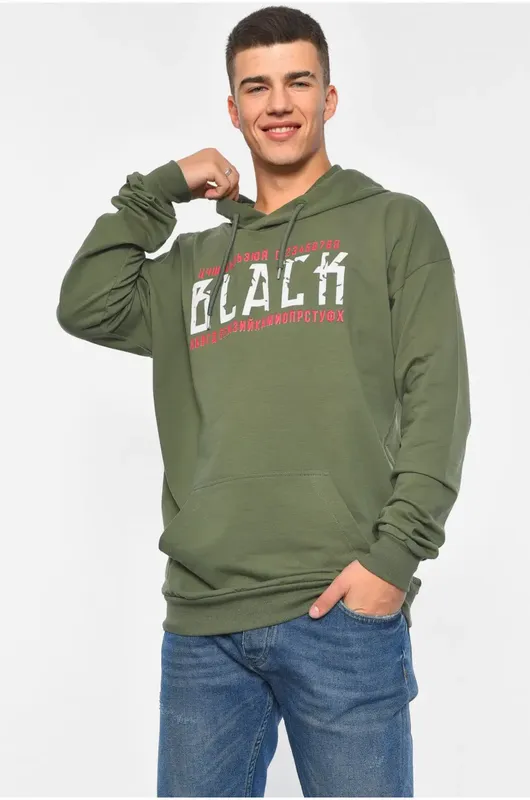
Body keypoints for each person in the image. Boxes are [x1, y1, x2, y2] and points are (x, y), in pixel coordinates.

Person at [56, 4, 471, 797]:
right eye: (257, 87)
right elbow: (86, 303)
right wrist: (162, 187)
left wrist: (392, 562)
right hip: (204, 622)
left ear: (330, 97)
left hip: (342, 611)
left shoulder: (392, 226)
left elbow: (439, 399)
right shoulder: (193, 264)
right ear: (233, 108)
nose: (278, 104)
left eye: (298, 82)